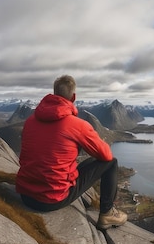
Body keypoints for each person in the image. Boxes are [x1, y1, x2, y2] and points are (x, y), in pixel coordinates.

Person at [16, 75, 127, 229]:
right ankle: (107, 213)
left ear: (54, 94)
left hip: (25, 195)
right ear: (73, 97)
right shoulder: (77, 125)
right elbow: (106, 155)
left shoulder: (30, 121)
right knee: (111, 163)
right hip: (52, 199)